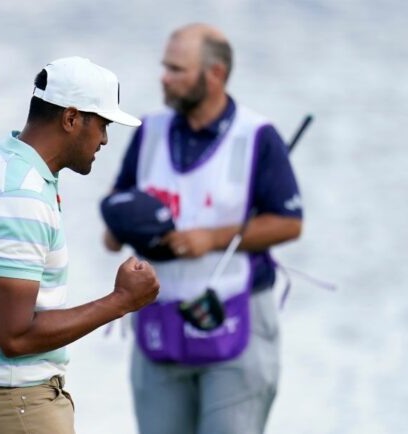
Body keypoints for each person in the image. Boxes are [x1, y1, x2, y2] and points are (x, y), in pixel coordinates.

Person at [104, 24, 303, 434]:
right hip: (158, 321)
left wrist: (210, 239)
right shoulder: (149, 131)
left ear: (214, 74)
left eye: (177, 69)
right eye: (165, 67)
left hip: (235, 317)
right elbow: (117, 207)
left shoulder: (257, 136)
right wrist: (123, 228)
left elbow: (289, 222)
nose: (164, 77)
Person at [0, 56, 160, 434]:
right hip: (16, 404)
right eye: (103, 125)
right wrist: (122, 301)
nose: (106, 139)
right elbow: (15, 336)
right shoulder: (21, 195)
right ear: (71, 118)